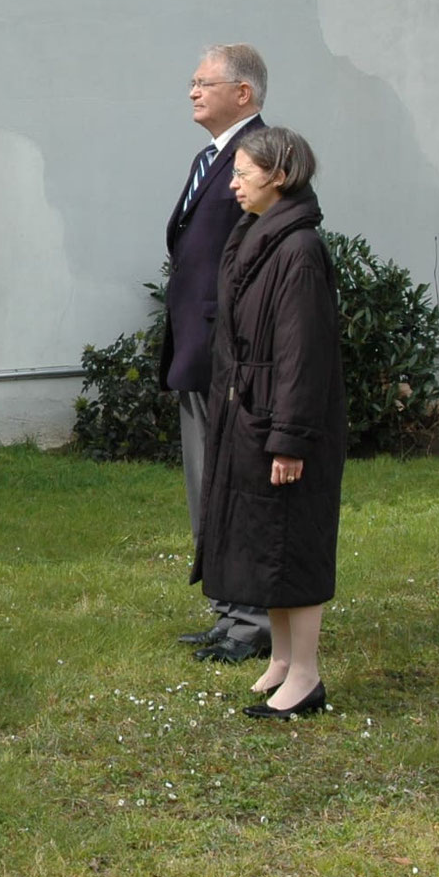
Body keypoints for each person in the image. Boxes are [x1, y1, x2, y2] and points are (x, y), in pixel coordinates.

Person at [191, 125, 345, 720]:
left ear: (279, 177)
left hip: (283, 419)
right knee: (266, 543)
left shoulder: (299, 251)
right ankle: (280, 660)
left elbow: (302, 353)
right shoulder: (257, 235)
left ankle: (305, 676)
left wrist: (290, 439)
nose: (232, 184)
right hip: (253, 412)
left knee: (291, 545)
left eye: (242, 173)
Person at [163, 43, 272, 663]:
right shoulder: (211, 157)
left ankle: (251, 621)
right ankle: (229, 610)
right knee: (206, 482)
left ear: (244, 93)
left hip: (232, 352)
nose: (193, 91)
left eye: (205, 82)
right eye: (193, 80)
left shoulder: (257, 155)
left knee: (234, 484)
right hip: (198, 348)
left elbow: (258, 253)